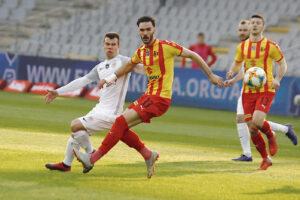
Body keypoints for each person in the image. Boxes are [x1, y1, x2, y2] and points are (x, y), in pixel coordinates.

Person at [73, 16, 224, 178]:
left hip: (160, 98)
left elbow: (193, 55)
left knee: (119, 122)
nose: (145, 33)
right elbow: (128, 66)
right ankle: (147, 154)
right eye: (142, 30)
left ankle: (92, 159)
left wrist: (211, 75)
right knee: (120, 128)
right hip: (149, 96)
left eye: (148, 29)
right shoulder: (141, 52)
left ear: (154, 30)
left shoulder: (166, 46)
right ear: (138, 31)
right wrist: (108, 78)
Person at [44, 32, 151, 174]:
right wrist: (58, 92)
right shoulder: (101, 66)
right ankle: (66, 164)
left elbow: (143, 69)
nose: (110, 47)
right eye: (107, 44)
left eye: (113, 44)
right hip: (99, 108)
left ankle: (90, 154)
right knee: (76, 135)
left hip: (111, 113)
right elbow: (82, 81)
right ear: (103, 45)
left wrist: (159, 65)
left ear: (119, 46)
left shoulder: (125, 61)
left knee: (75, 125)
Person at [225, 20, 297, 162]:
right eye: (240, 30)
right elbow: (246, 71)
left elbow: (255, 71)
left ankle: (251, 152)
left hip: (260, 89)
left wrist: (275, 79)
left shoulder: (261, 46)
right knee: (246, 120)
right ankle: (249, 153)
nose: (242, 33)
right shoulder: (244, 47)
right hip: (247, 89)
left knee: (251, 121)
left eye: (244, 30)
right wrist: (232, 79)